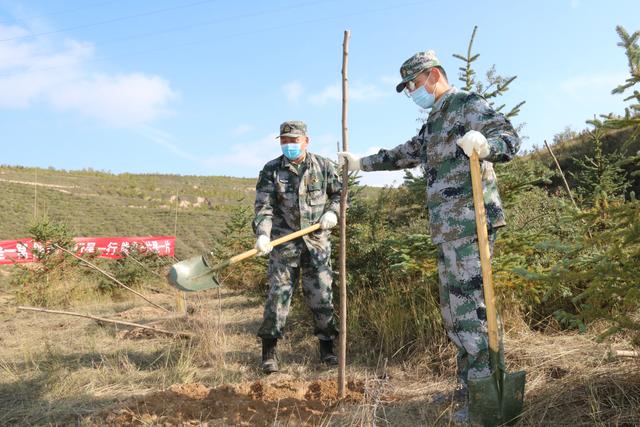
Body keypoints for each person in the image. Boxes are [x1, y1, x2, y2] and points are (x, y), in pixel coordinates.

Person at [338, 50, 521, 421]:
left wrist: (487, 145)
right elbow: (408, 152)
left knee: (473, 311)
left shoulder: (465, 104)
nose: (411, 93)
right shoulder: (435, 119)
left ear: (434, 75)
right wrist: (362, 163)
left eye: (414, 85)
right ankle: (468, 384)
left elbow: (508, 136)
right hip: (447, 230)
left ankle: (486, 399)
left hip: (472, 222)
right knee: (454, 311)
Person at [253, 120, 341, 374]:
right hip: (284, 245)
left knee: (322, 297)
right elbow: (264, 207)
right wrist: (263, 234)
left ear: (306, 141)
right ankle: (269, 353)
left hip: (317, 243)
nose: (289, 145)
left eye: (294, 140)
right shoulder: (271, 170)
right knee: (278, 297)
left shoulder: (324, 166)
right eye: (285, 141)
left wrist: (333, 213)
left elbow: (339, 193)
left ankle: (327, 350)